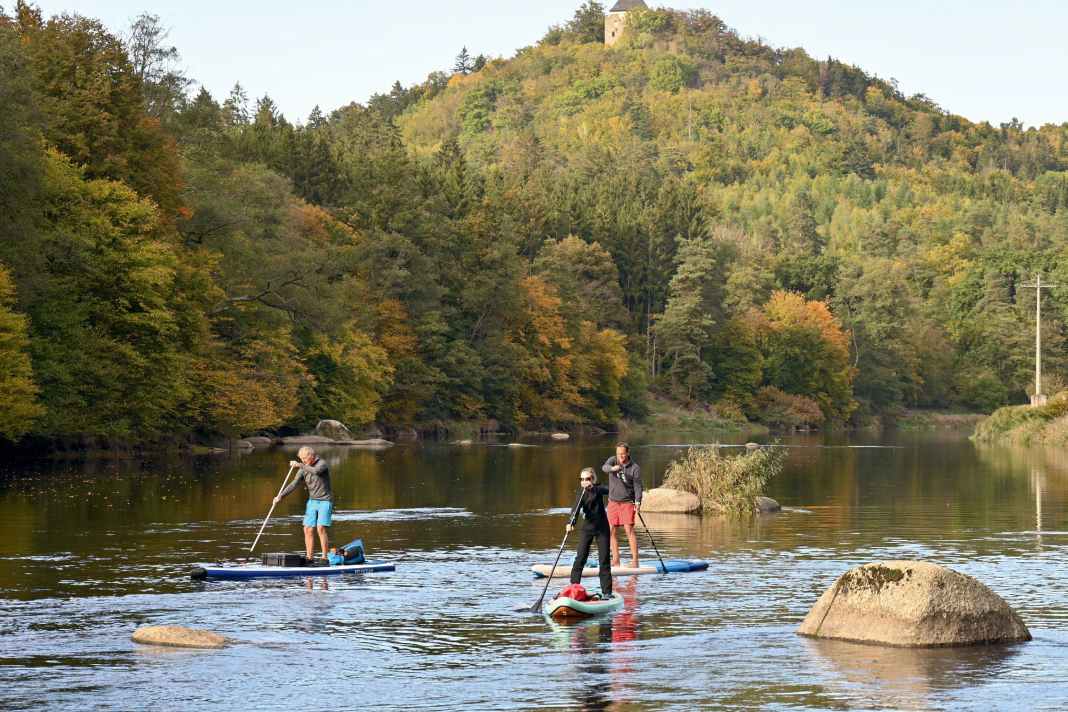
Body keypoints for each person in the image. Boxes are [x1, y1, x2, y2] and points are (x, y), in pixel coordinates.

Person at [274, 446, 332, 562]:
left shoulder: (322, 464)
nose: (303, 461)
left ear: (311, 456)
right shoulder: (303, 468)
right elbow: (294, 484)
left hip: (325, 501)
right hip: (312, 501)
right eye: (301, 459)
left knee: (320, 528)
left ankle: (324, 557)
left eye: (304, 458)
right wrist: (280, 496)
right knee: (307, 529)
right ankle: (309, 558)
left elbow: (316, 471)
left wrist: (300, 465)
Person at [566, 467, 612, 597]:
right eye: (582, 479)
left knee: (604, 560)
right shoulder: (581, 493)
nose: (584, 482)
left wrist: (593, 488)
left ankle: (607, 592)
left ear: (593, 479)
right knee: (580, 558)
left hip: (602, 529)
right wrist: (570, 523)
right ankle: (573, 589)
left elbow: (608, 490)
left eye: (587, 479)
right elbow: (575, 509)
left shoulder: (598, 489)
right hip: (587, 528)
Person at [602, 442, 642, 568]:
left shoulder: (634, 468)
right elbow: (604, 467)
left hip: (627, 502)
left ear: (628, 453)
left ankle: (635, 561)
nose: (620, 456)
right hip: (613, 502)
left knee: (628, 530)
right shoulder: (613, 460)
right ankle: (616, 561)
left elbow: (638, 486)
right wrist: (612, 469)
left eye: (623, 454)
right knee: (611, 531)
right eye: (618, 453)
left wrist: (638, 501)